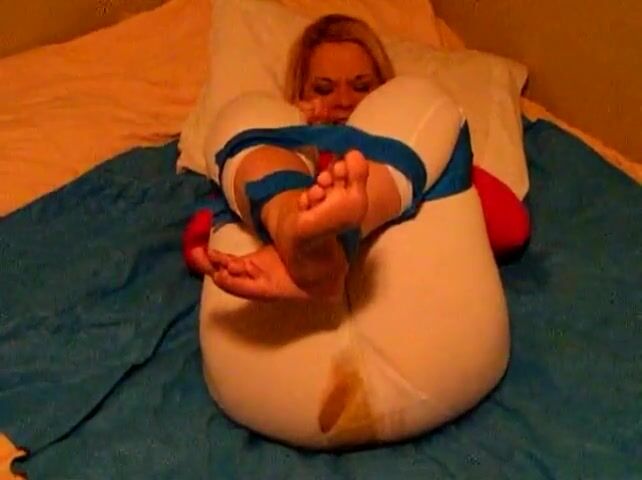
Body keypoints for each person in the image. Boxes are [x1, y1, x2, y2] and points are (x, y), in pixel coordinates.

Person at [183, 14, 530, 301]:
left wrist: (436, 153)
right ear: (299, 95)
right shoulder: (283, 153)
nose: (344, 101)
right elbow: (206, 235)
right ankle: (308, 244)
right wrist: (298, 131)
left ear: (385, 91)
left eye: (362, 86)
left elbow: (510, 230)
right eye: (323, 89)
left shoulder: (423, 147)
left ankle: (322, 249)